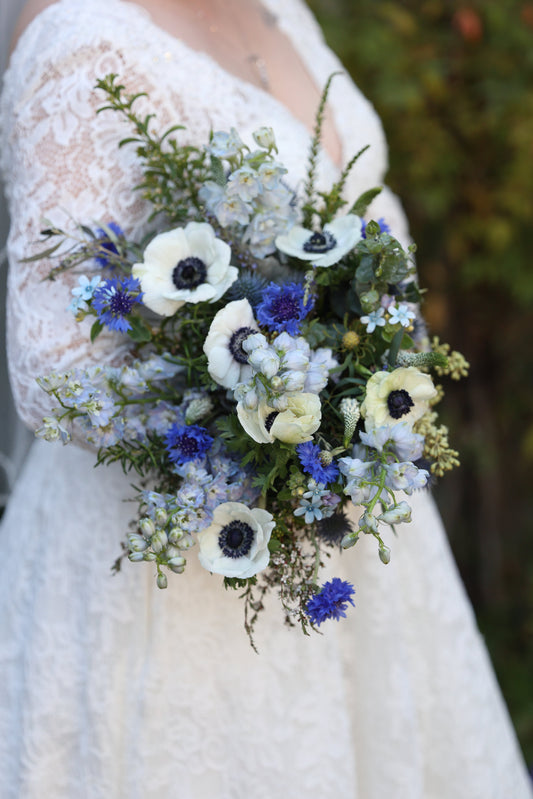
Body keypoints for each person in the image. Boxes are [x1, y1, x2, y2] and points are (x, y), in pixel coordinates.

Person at [1, 1, 531, 797]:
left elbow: (376, 236)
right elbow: (53, 362)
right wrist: (264, 423)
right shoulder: (83, 36)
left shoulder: (287, 17)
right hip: (162, 570)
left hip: (355, 546)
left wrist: (369, 394)